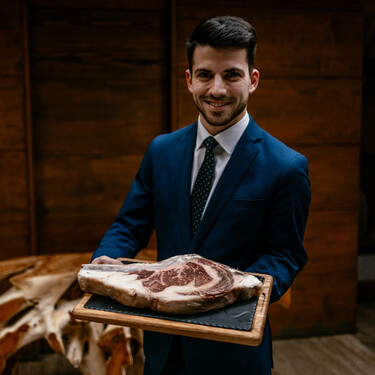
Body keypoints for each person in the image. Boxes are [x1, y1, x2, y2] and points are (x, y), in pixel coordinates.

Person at [91, 15, 311, 375]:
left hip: (232, 351)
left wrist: (230, 293)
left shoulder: (286, 166)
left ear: (252, 80)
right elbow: (130, 224)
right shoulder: (161, 150)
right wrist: (107, 257)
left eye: (232, 75)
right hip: (162, 347)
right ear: (190, 80)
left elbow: (285, 254)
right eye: (206, 75)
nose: (218, 89)